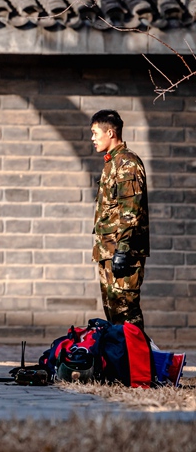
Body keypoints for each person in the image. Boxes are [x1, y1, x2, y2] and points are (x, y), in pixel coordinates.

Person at [90, 109, 149, 330]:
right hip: (109, 252)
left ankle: (138, 355)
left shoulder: (127, 163)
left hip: (123, 253)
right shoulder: (112, 163)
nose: (92, 138)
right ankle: (122, 354)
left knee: (127, 315)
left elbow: (131, 210)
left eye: (95, 133)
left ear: (110, 132)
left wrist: (122, 251)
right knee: (115, 317)